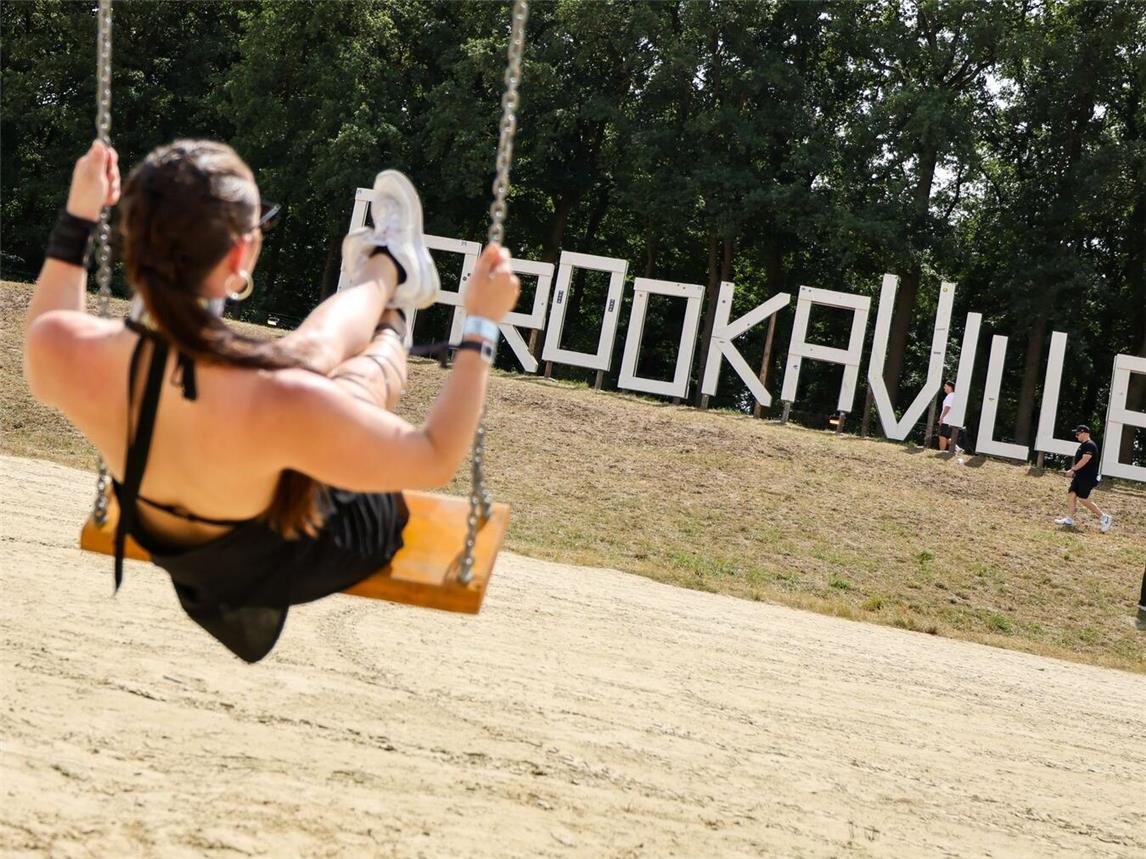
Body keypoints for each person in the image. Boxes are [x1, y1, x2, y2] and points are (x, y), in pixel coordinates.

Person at [23, 140, 520, 661]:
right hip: (301, 547)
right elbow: (434, 454)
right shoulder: (279, 397)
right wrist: (481, 325)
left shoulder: (61, 349)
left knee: (299, 365)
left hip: (165, 533)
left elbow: (48, 323)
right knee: (332, 383)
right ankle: (392, 311)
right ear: (240, 256)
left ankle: (387, 269)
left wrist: (81, 210)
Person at [1053, 425, 1112, 532]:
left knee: (1083, 498)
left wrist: (1073, 470)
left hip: (1088, 477)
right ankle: (1069, 519)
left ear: (1084, 433)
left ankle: (1104, 517)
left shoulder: (1089, 445)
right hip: (1080, 476)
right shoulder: (1084, 445)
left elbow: (1086, 459)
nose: (1076, 436)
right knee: (1071, 494)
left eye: (1077, 434)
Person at [937, 380, 960, 452]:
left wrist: (942, 418)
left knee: (942, 437)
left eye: (945, 386)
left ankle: (942, 452)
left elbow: (947, 407)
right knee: (946, 438)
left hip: (946, 420)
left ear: (950, 387)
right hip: (948, 420)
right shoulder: (952, 396)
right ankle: (958, 449)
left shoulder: (950, 396)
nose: (944, 388)